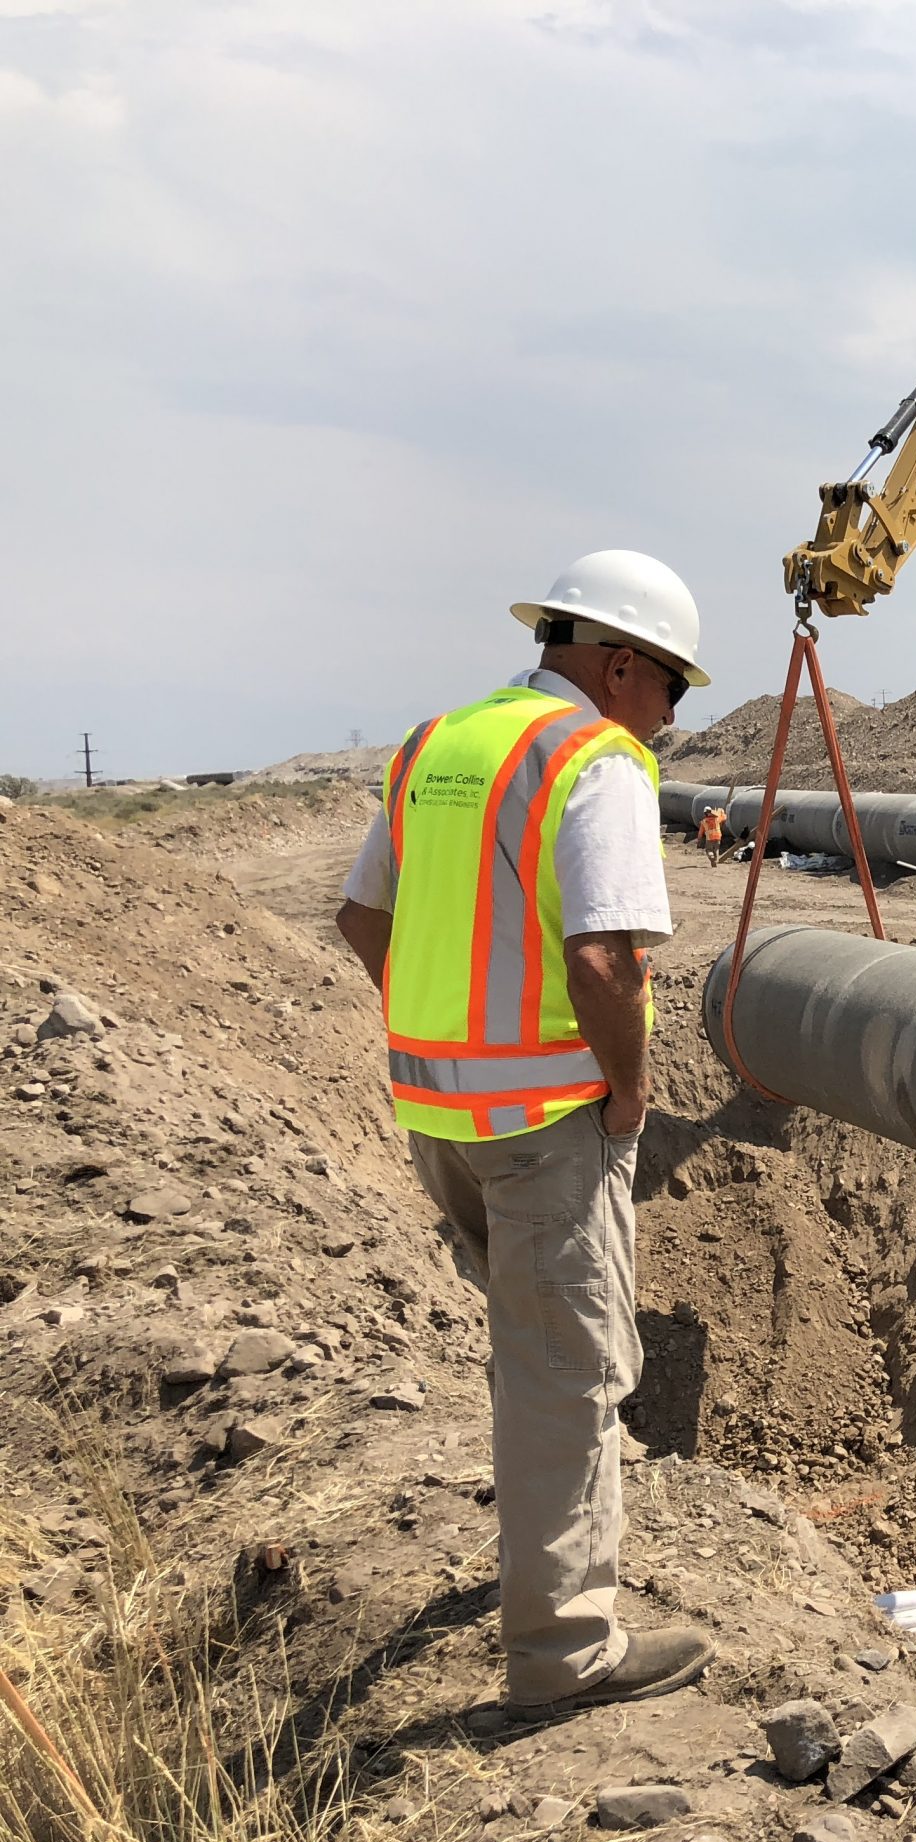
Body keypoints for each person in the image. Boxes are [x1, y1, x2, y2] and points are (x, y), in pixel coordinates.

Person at [333, 550, 716, 1718]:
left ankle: (550, 1556)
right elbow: (603, 956)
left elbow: (361, 918)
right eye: (674, 688)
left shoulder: (437, 744)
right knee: (569, 1372)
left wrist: (448, 1023)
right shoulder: (593, 762)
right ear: (616, 664)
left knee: (533, 1345)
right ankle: (564, 1652)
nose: (670, 714)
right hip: (547, 1118)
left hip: (439, 1111)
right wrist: (630, 1094)